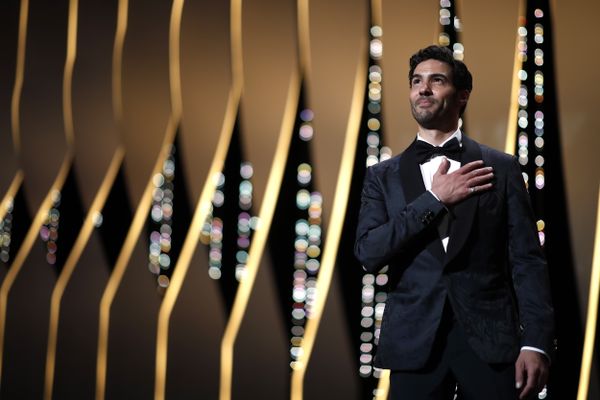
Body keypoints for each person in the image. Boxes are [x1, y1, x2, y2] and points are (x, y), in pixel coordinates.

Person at [354, 45, 554, 399]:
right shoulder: (381, 177)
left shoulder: (501, 168)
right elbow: (369, 251)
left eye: (436, 80)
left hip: (492, 343)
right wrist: (433, 200)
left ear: (462, 96)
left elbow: (527, 261)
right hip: (414, 345)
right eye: (416, 81)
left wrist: (536, 343)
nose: (423, 89)